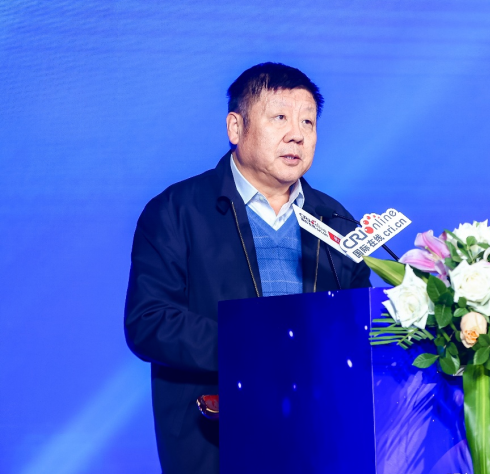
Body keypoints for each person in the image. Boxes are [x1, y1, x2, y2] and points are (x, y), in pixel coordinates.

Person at [124, 62, 371, 474]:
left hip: (320, 440)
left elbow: (358, 326)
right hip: (218, 441)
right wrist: (255, 347)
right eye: (280, 118)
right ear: (235, 128)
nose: (297, 134)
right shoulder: (177, 211)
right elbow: (149, 321)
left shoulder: (336, 222)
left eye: (308, 122)